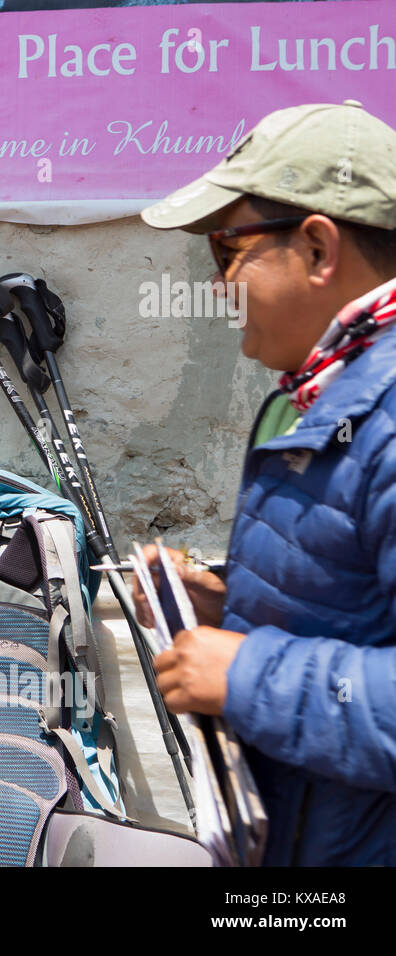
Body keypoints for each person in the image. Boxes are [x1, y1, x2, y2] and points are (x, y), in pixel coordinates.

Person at [135, 100, 396, 865]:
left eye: (227, 251)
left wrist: (248, 673)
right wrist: (230, 606)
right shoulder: (324, 390)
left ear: (318, 248)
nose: (218, 288)